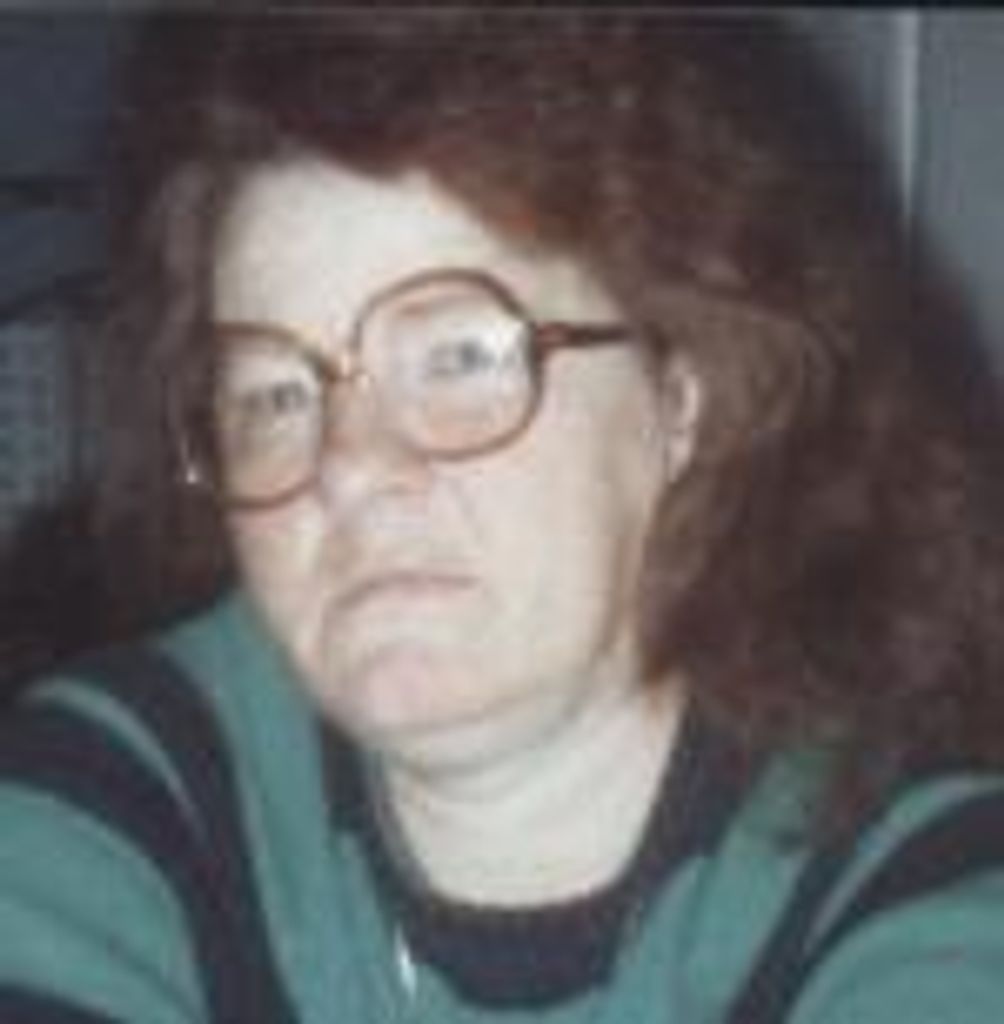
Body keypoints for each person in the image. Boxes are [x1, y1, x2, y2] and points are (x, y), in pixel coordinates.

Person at [3, 7, 1004, 1022]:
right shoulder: (113, 798)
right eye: (274, 395)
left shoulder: (917, 871)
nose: (348, 466)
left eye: (458, 356)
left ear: (681, 398)